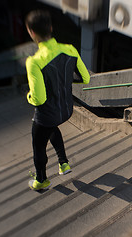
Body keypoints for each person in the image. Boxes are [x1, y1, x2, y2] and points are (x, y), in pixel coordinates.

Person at [25, 10, 90, 191]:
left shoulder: (34, 61)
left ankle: (41, 181)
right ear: (51, 28)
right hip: (66, 110)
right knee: (51, 128)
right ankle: (63, 164)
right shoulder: (70, 49)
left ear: (31, 32)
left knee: (38, 146)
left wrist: (29, 96)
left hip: (48, 115)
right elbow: (86, 78)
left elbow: (39, 98)